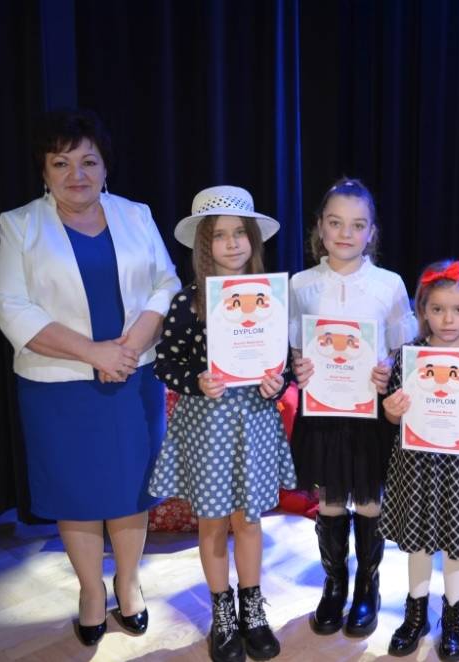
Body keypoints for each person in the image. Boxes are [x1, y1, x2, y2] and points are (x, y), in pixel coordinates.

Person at [0, 109, 181, 645]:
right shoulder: (20, 225)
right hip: (57, 384)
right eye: (61, 162)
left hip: (133, 376)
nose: (77, 174)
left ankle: (129, 582)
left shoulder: (136, 215)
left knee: (130, 487)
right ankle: (91, 592)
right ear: (44, 171)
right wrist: (94, 352)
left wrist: (129, 348)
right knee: (76, 492)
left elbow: (165, 284)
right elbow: (11, 305)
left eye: (88, 161)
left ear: (105, 167)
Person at [147, 186, 296, 662]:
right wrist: (196, 381)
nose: (231, 244)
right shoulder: (188, 302)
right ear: (202, 245)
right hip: (208, 426)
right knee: (212, 523)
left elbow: (286, 364)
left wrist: (278, 383)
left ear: (253, 239)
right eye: (218, 235)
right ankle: (223, 613)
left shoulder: (273, 299)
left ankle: (252, 609)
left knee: (248, 521)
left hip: (253, 423)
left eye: (239, 233)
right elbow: (165, 363)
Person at [288, 177, 419, 638]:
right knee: (328, 499)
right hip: (322, 410)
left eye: (358, 225)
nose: (346, 233)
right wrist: (299, 366)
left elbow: (403, 349)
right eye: (336, 222)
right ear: (320, 228)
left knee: (367, 499)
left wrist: (389, 370)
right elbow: (295, 346)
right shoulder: (301, 284)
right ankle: (334, 584)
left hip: (369, 412)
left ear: (372, 232)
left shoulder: (389, 284)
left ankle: (367, 586)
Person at [379, 260, 459, 661]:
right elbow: (394, 416)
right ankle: (415, 614)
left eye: (458, 309)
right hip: (416, 464)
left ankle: (453, 618)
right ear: (423, 310)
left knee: (455, 544)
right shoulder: (409, 356)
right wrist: (392, 410)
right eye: (437, 309)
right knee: (417, 541)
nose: (448, 319)